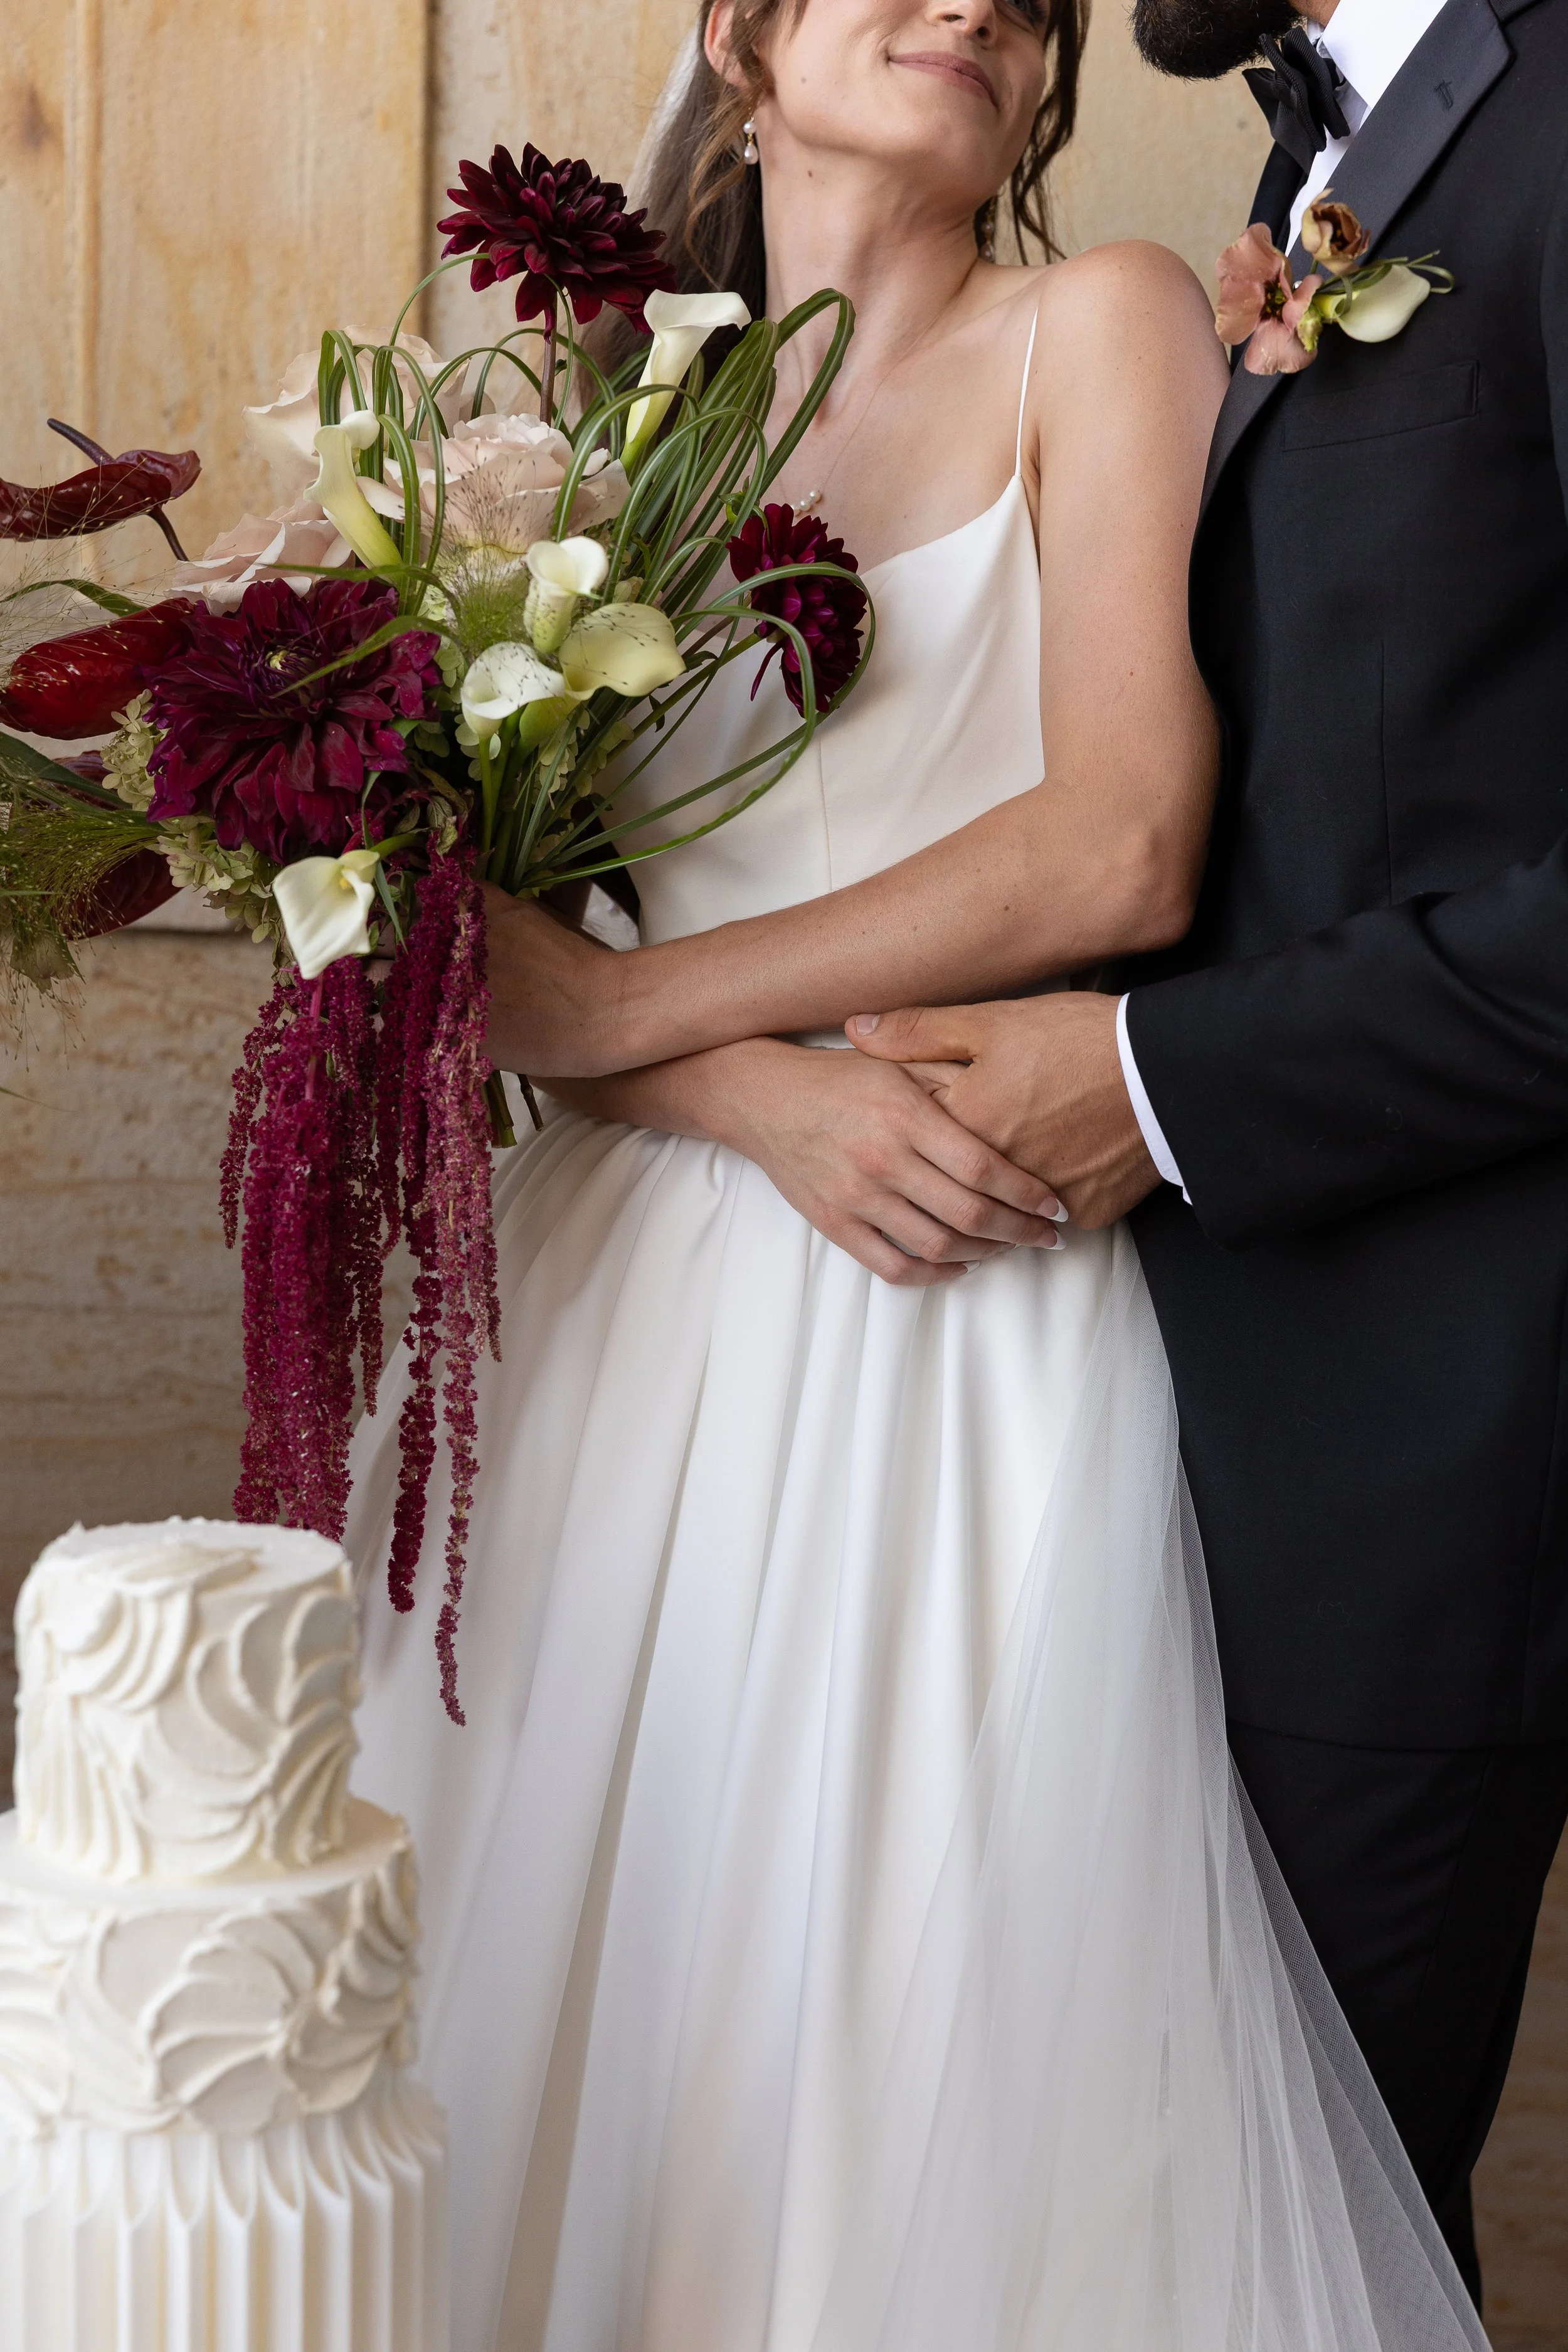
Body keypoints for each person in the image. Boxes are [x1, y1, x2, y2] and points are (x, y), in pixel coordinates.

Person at [347, 6, 1485, 2348]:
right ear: (735, 41)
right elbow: (491, 929)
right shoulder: (579, 422)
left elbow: (1123, 837)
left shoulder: (1102, 322)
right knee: (549, 2026)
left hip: (944, 1287)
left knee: (870, 2037)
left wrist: (652, 1015)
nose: (979, 2)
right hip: (604, 1326)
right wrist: (745, 1089)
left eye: (1035, 5)